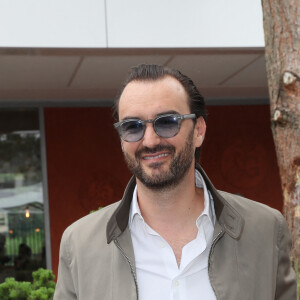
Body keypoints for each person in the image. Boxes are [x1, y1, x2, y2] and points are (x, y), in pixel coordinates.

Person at [54, 64, 296, 300]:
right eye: (132, 126)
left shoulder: (265, 231)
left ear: (199, 130)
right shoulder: (79, 244)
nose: (149, 141)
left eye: (167, 122)